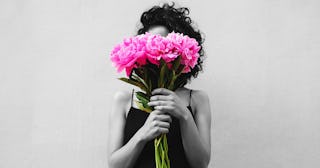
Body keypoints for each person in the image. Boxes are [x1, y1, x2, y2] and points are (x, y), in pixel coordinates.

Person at [107, 3, 211, 168]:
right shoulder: (124, 100)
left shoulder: (198, 99)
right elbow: (114, 166)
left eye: (162, 43)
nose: (155, 51)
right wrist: (143, 134)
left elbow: (201, 164)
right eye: (149, 43)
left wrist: (184, 115)